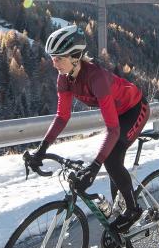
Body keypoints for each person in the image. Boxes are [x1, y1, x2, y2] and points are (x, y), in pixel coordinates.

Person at [29, 25, 150, 232]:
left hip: (134, 109)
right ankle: (120, 206)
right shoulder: (64, 78)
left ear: (75, 56)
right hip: (116, 114)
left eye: (59, 57)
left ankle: (133, 209)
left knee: (111, 159)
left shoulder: (96, 78)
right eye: (52, 57)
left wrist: (93, 168)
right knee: (112, 160)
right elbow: (62, 117)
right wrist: (41, 149)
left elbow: (113, 130)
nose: (54, 62)